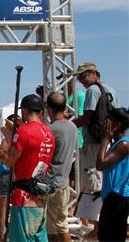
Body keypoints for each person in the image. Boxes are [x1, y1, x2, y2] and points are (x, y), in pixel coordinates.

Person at [0, 94, 55, 242]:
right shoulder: (49, 132)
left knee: (22, 237)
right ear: (41, 111)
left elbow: (9, 161)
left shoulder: (24, 131)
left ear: (24, 110)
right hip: (41, 192)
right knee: (38, 236)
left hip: (24, 195)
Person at [72, 62, 120, 239]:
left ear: (93, 74)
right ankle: (99, 224)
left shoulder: (93, 90)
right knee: (103, 182)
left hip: (94, 142)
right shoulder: (111, 90)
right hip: (108, 141)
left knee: (94, 182)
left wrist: (67, 124)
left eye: (83, 76)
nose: (81, 81)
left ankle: (97, 226)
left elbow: (87, 118)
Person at [45, 92, 77, 242]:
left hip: (52, 183)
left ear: (48, 107)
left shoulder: (52, 129)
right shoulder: (72, 126)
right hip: (63, 182)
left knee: (54, 227)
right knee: (60, 223)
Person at [95, 108, 129, 242]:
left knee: (110, 236)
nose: (104, 123)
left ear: (117, 124)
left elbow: (101, 164)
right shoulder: (117, 144)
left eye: (108, 120)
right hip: (113, 196)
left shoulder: (124, 145)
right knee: (105, 235)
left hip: (119, 197)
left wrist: (105, 139)